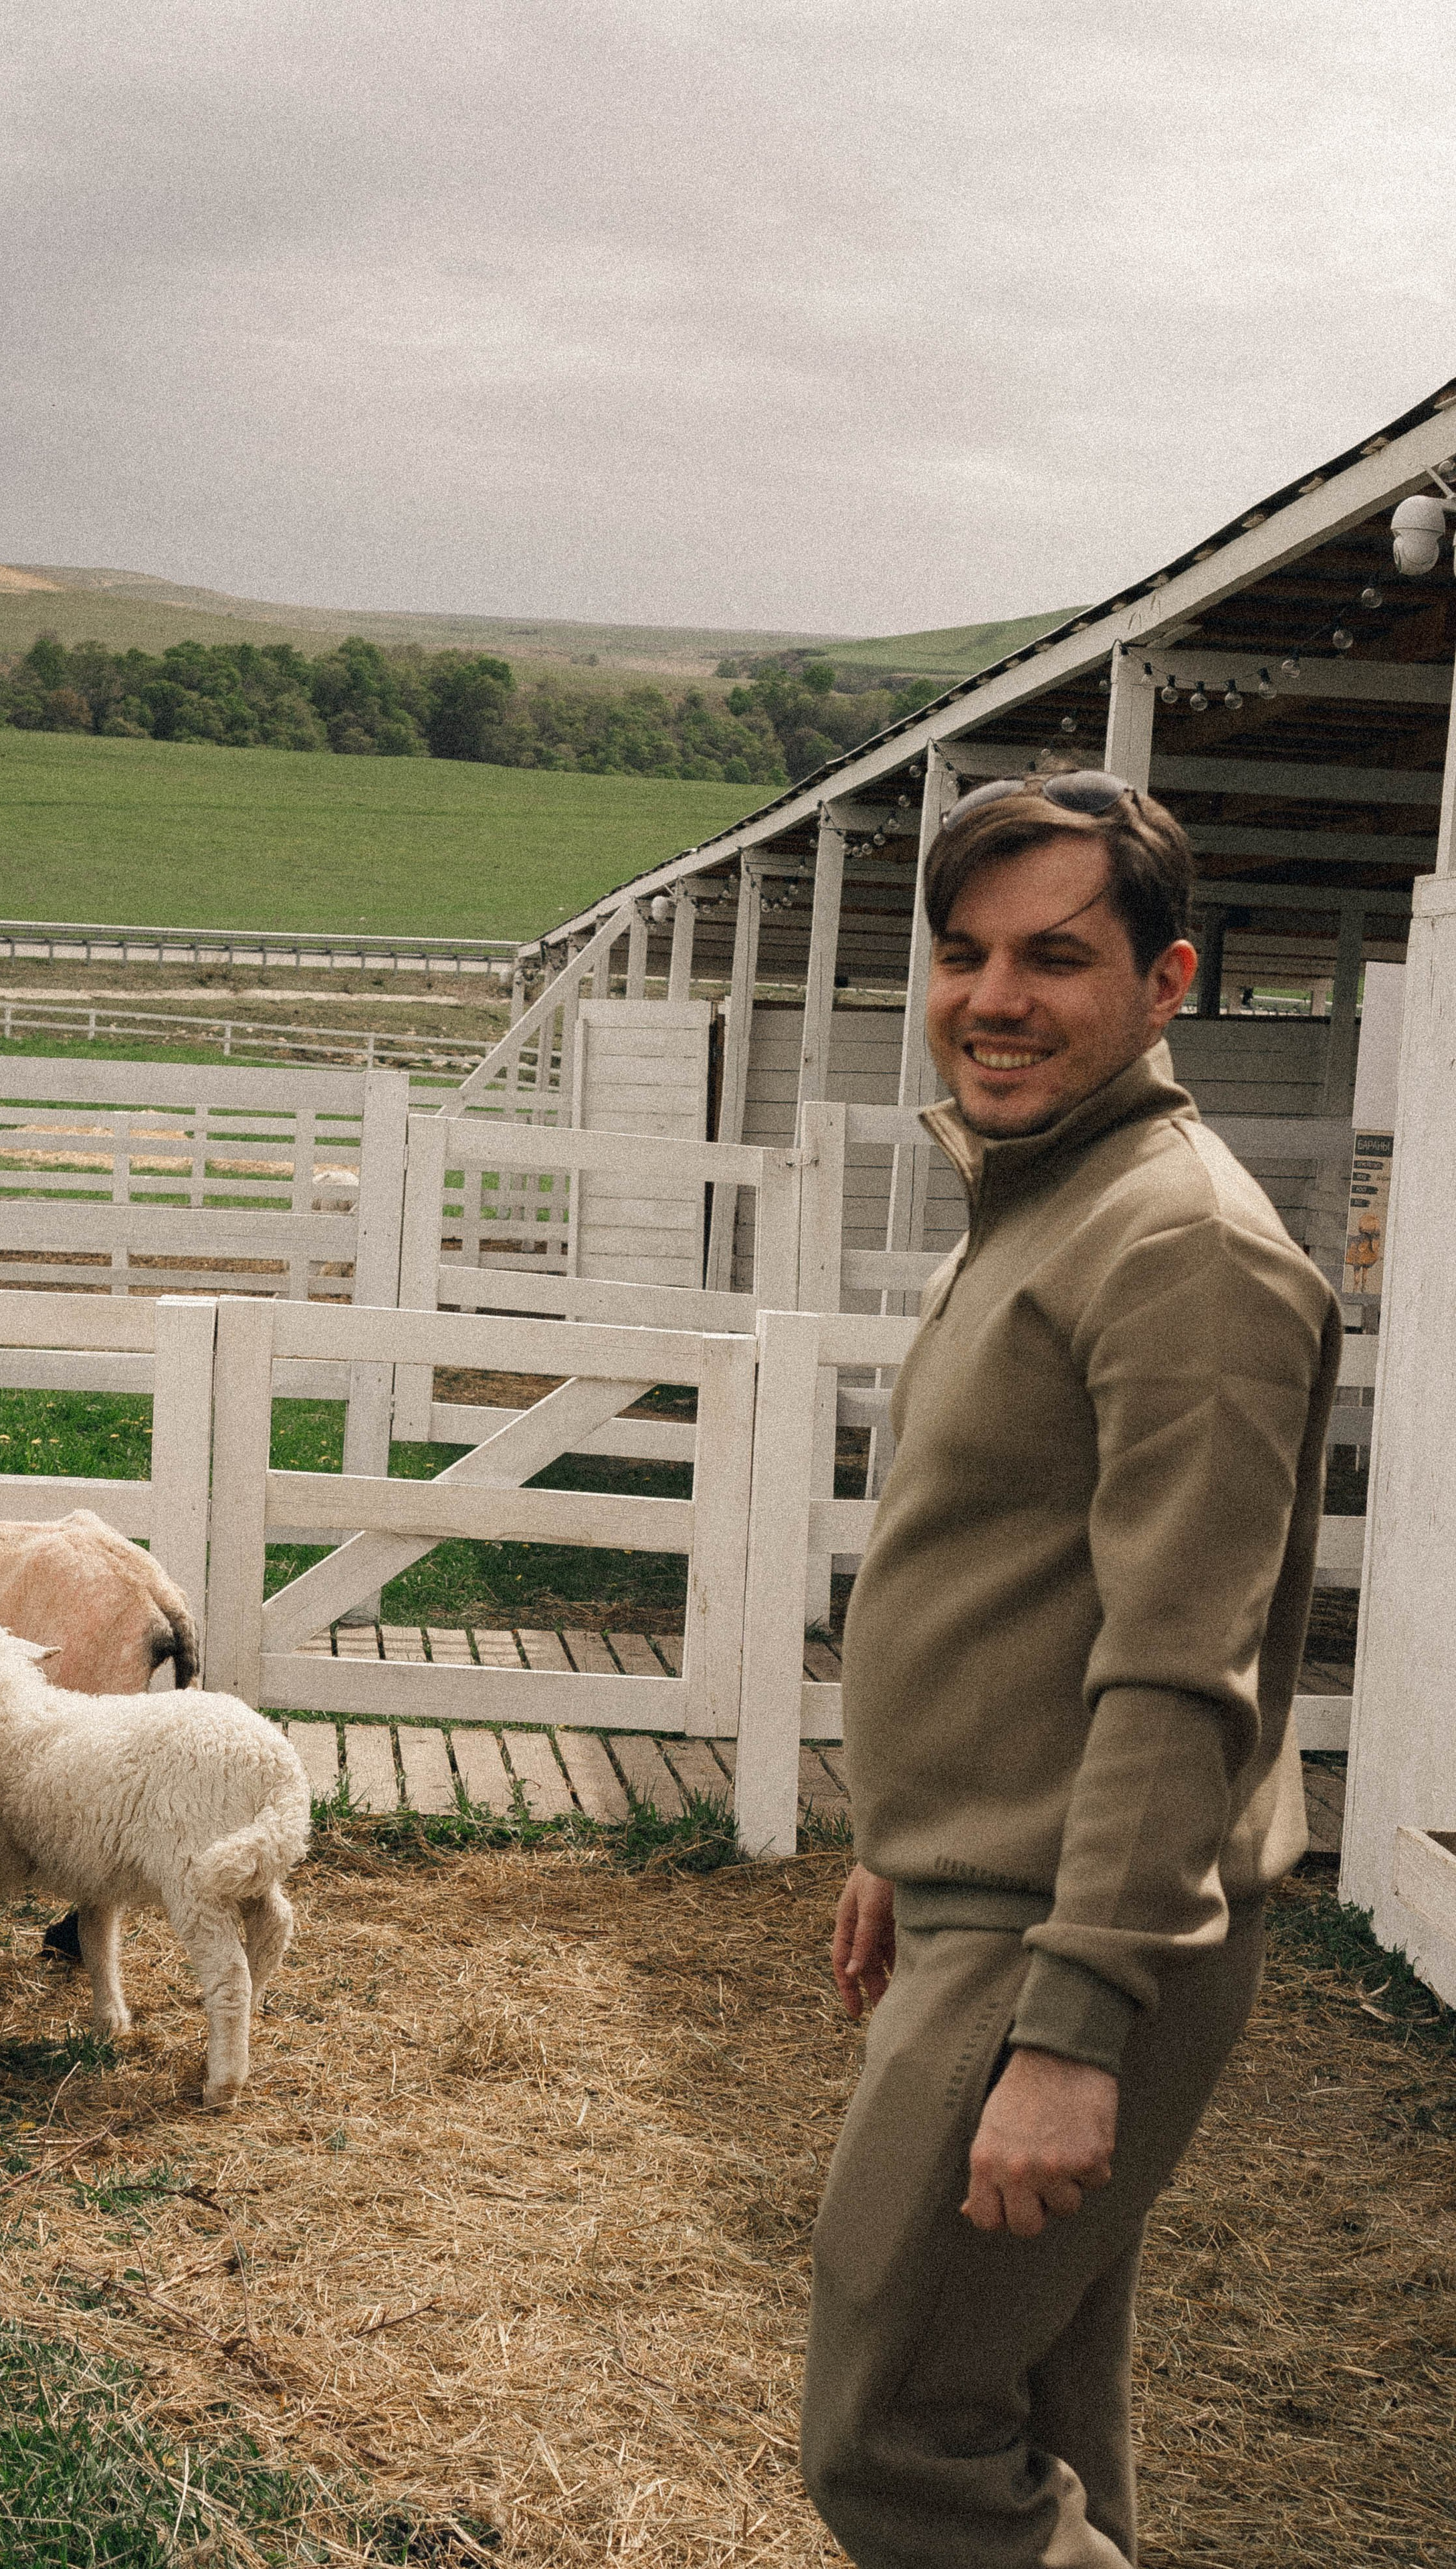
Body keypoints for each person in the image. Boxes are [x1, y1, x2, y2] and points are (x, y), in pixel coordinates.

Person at [801, 773, 1341, 2569]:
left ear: (1168, 980)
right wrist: (902, 1828)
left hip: (1066, 1936)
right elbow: (1018, 1584)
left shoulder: (1180, 1247)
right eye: (961, 955)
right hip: (990, 1897)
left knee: (897, 2444)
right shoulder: (1055, 1199)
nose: (994, 999)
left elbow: (1183, 1674)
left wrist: (1071, 2034)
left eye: (1057, 956)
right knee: (1035, 2427)